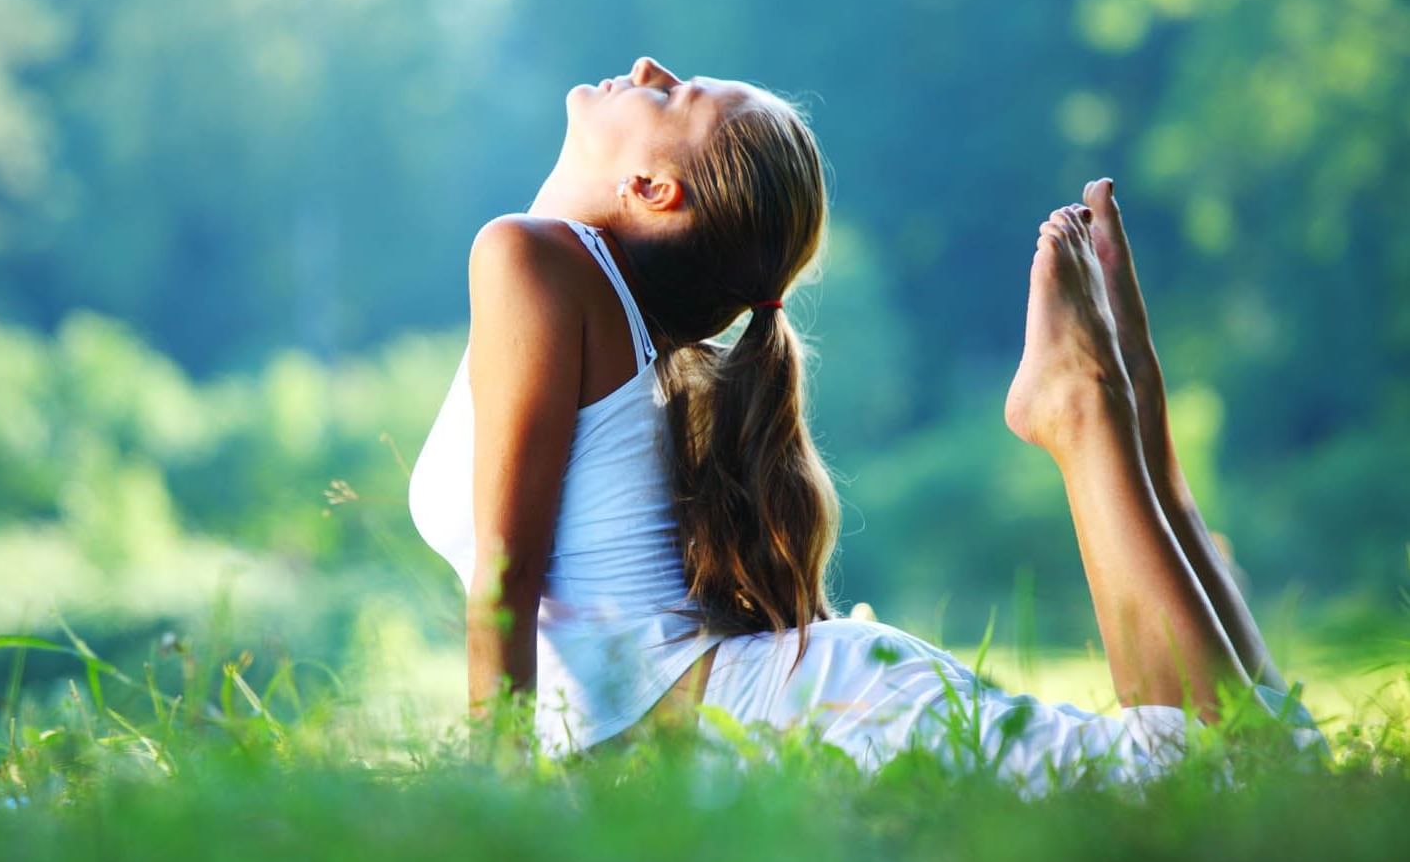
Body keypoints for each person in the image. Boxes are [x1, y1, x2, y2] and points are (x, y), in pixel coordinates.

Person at [406, 55, 1324, 791]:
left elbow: (505, 568)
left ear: (653, 188)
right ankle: (1137, 443)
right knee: (1276, 774)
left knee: (1229, 779)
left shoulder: (529, 257)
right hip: (797, 704)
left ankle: (1088, 411)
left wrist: (501, 785)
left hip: (793, 710)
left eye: (674, 93)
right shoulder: (578, 291)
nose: (646, 68)